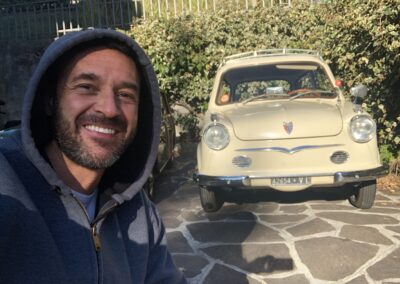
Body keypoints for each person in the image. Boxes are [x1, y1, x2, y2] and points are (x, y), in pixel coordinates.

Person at [0, 29, 186, 284]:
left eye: (125, 95)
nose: (109, 109)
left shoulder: (140, 213)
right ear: (50, 101)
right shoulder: (6, 180)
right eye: (86, 87)